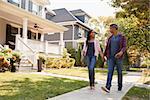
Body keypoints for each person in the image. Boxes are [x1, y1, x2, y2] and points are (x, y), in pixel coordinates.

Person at [101, 24, 127, 93]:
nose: (110, 30)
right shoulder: (110, 38)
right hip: (110, 58)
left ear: (115, 28)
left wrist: (121, 52)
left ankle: (120, 86)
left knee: (119, 72)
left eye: (111, 29)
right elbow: (107, 48)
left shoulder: (122, 37)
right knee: (110, 71)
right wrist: (104, 56)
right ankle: (108, 87)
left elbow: (124, 46)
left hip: (119, 58)